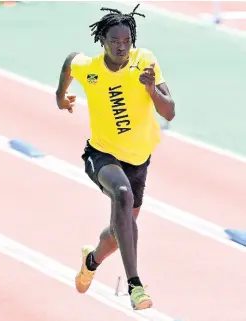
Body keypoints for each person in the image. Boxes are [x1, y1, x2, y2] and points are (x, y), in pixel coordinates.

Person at [55, 4, 175, 310]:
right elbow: (71, 62)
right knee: (122, 195)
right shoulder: (90, 68)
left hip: (139, 160)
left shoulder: (145, 61)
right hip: (101, 154)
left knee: (116, 235)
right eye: (115, 42)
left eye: (126, 42)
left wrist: (151, 90)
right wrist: (60, 97)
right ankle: (135, 285)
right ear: (103, 42)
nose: (122, 47)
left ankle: (91, 260)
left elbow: (170, 112)